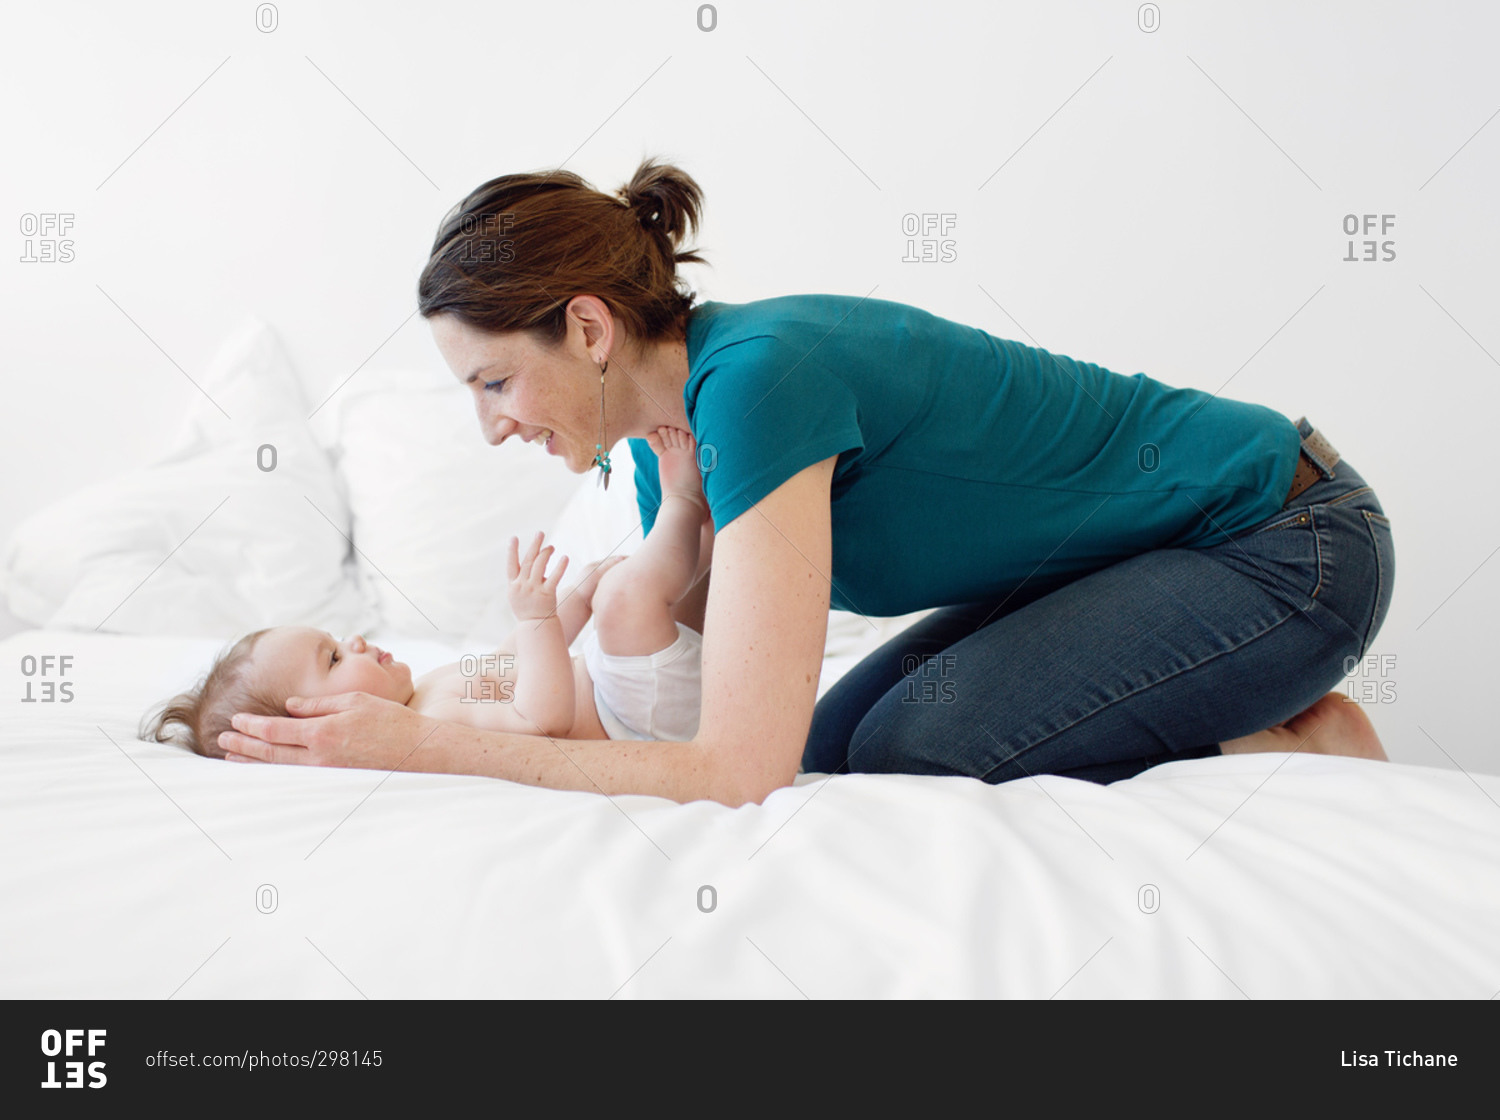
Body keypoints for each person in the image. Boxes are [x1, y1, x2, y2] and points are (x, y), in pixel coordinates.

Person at [217, 157, 1395, 803]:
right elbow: (704, 682)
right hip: (1144, 560)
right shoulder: (658, 447)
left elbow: (732, 770)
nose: (489, 427)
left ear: (585, 327)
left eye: (492, 385)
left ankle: (1295, 747)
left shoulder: (758, 383)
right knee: (840, 749)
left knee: (906, 760)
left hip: (1286, 539)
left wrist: (432, 748)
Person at [143, 426, 712, 754]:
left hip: (633, 696)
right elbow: (545, 720)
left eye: (338, 639)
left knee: (618, 586)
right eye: (336, 657)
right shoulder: (429, 721)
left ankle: (713, 526)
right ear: (323, 717)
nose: (358, 641)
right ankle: (684, 500)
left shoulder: (431, 689)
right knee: (625, 601)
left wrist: (575, 598)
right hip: (637, 721)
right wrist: (541, 621)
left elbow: (512, 662)